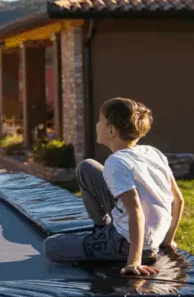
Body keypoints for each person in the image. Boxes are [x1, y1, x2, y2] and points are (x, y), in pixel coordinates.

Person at [44, 97, 185, 277]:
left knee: (51, 246)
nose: (97, 125)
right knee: (86, 168)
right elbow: (178, 199)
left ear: (111, 130)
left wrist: (134, 261)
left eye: (100, 121)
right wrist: (167, 240)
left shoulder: (116, 162)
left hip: (125, 243)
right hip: (148, 236)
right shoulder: (153, 152)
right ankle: (101, 227)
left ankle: (105, 241)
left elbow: (135, 210)